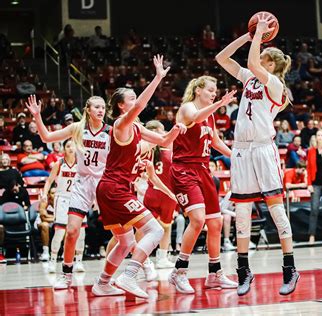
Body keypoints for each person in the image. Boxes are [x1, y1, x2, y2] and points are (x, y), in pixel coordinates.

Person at [216, 13, 299, 296]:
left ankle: (290, 268)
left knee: (276, 210)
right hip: (241, 150)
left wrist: (260, 35)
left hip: (263, 149)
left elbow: (252, 62)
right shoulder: (250, 78)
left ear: (272, 65)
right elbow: (222, 58)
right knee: (241, 213)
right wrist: (249, 36)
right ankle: (244, 271)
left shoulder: (276, 86)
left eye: (265, 57)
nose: (260, 59)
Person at [93, 55, 186, 298]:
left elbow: (164, 141)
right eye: (131, 99)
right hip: (114, 188)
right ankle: (129, 275)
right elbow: (140, 107)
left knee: (125, 243)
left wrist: (177, 128)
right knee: (154, 231)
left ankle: (103, 283)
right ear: (122, 106)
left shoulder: (136, 128)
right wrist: (157, 78)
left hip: (112, 189)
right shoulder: (121, 125)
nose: (135, 101)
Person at [25, 94, 110, 290]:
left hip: (102, 183)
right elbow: (46, 137)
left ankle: (126, 270)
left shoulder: (110, 132)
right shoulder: (77, 128)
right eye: (96, 107)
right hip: (81, 184)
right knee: (71, 231)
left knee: (121, 231)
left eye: (103, 107)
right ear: (88, 109)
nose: (100, 110)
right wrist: (37, 116)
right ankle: (66, 273)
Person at [166, 75, 237, 295]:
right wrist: (220, 104)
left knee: (215, 224)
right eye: (210, 91)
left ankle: (214, 274)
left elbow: (215, 142)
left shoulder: (211, 117)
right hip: (184, 170)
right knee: (197, 220)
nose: (213, 94)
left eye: (215, 92)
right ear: (198, 90)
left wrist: (235, 155)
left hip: (204, 170)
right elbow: (196, 117)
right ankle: (179, 272)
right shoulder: (187, 108)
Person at [41, 139, 85, 273]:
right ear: (63, 149)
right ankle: (53, 261)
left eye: (73, 146)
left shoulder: (81, 164)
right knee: (60, 231)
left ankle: (78, 262)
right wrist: (44, 193)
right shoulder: (59, 164)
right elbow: (49, 181)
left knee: (81, 232)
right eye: (68, 146)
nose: (71, 148)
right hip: (62, 199)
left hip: (77, 199)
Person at [141, 120, 178, 269]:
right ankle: (160, 257)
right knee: (164, 227)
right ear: (156, 131)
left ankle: (146, 257)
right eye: (163, 130)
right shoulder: (168, 149)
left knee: (144, 227)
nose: (165, 133)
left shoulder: (146, 150)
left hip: (153, 192)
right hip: (166, 194)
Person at [36, 186, 55, 262]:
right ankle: (45, 252)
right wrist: (55, 218)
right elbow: (43, 218)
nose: (55, 195)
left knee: (65, 225)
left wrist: (49, 216)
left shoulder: (61, 201)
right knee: (45, 225)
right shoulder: (44, 201)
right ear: (49, 194)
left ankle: (65, 251)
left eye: (56, 193)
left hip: (55, 222)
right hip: (40, 222)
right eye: (53, 193)